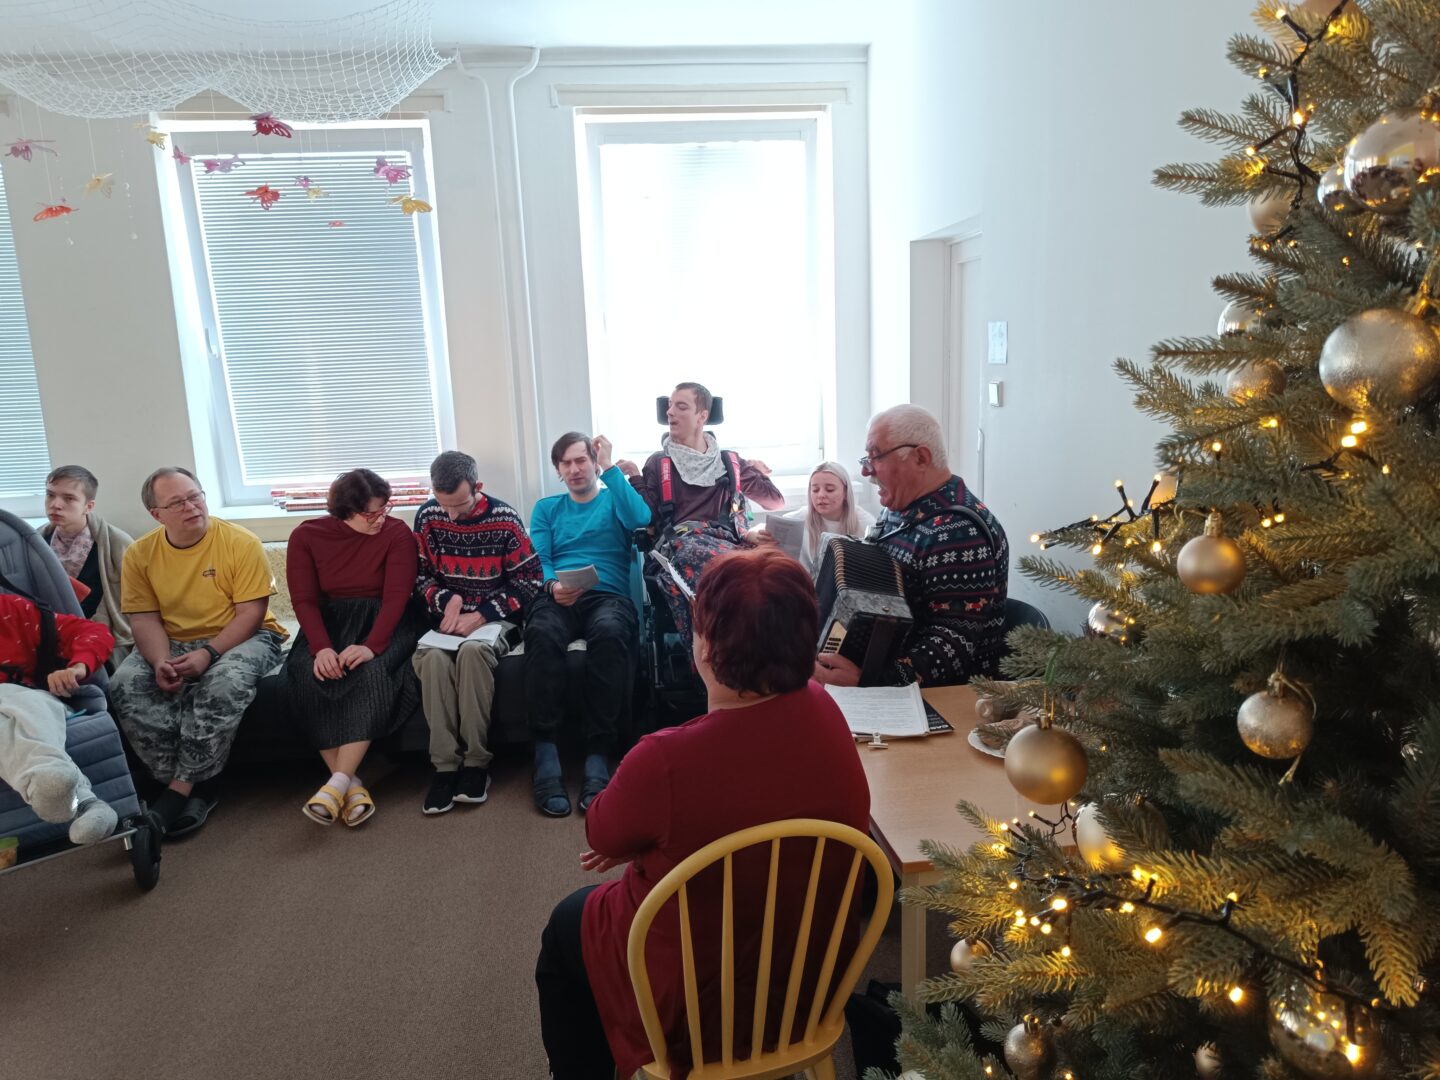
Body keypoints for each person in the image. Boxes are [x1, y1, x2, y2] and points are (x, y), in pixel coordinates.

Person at [535, 547, 871, 1079]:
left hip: (700, 1000)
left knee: (564, 926)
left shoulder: (663, 758)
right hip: (809, 974)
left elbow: (601, 831)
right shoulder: (825, 708)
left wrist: (639, 842)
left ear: (706, 648)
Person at [110, 468, 287, 837]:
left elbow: (251, 614)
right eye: (177, 503)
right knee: (124, 684)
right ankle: (186, 783)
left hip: (245, 635)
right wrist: (160, 661)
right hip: (172, 640)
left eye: (195, 496)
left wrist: (209, 653)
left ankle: (180, 792)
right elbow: (144, 618)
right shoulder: (139, 554)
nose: (191, 506)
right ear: (157, 514)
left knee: (223, 683)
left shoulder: (240, 542)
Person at [813, 404, 1008, 689]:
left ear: (920, 458)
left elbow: (954, 645)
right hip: (888, 681)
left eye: (876, 456)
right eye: (866, 458)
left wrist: (867, 680)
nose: (866, 471)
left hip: (945, 697)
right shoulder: (900, 510)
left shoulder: (957, 531)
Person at [285, 469, 421, 828]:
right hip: (329, 623)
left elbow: (396, 598)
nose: (381, 519)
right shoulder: (306, 536)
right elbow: (304, 600)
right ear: (344, 511)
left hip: (385, 621)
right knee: (308, 674)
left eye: (385, 509)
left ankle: (336, 784)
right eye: (370, 514)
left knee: (371, 674)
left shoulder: (397, 534)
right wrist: (321, 648)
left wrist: (372, 646)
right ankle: (351, 786)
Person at [526, 432, 651, 818]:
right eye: (566, 463)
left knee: (611, 634)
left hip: (608, 596)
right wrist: (552, 586)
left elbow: (641, 519)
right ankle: (545, 752)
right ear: (558, 470)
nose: (574, 469)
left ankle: (598, 753)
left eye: (581, 460)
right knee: (541, 633)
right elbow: (540, 558)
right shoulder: (547, 508)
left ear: (594, 464)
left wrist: (611, 467)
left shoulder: (614, 499)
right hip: (559, 595)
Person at [412, 450, 542, 815]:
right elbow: (419, 576)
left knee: (472, 654)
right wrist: (446, 599)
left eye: (459, 505)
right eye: (443, 504)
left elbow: (529, 581)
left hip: (496, 620)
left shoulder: (504, 519)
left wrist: (481, 615)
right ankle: (444, 767)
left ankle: (476, 764)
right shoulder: (427, 516)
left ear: (478, 487)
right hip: (447, 622)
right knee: (433, 660)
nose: (451, 514)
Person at [621, 382, 785, 649]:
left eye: (681, 406)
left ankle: (758, 647)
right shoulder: (658, 463)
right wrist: (635, 478)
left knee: (771, 570)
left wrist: (754, 471)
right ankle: (720, 651)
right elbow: (649, 519)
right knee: (709, 560)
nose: (670, 412)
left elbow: (775, 502)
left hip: (728, 544)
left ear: (702, 416)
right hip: (681, 546)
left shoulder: (730, 462)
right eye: (669, 406)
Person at [0, 584, 119, 845]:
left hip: (34, 702)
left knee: (18, 704)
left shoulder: (11, 610)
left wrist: (76, 668)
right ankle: (87, 803)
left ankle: (60, 790)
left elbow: (93, 632)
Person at [39, 465, 135, 666]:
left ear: (88, 506)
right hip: (47, 635)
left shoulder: (117, 543)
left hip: (103, 639)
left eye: (69, 498)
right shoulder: (36, 541)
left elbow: (139, 602)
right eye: (50, 495)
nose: (55, 505)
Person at [778, 461, 876, 576]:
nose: (821, 495)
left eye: (830, 489)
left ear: (845, 492)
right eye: (815, 490)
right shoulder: (796, 521)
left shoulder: (866, 525)